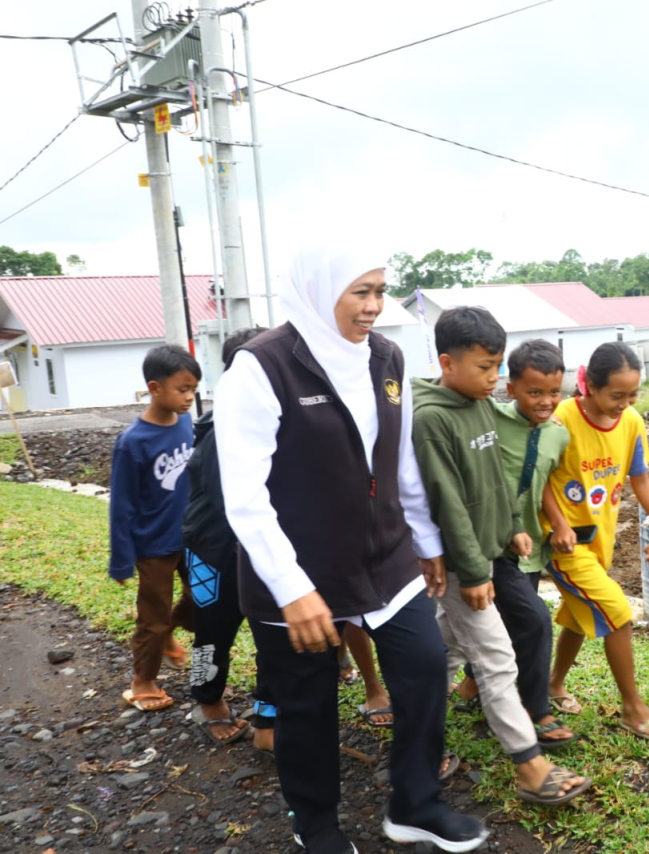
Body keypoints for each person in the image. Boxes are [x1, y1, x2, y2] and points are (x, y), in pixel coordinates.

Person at [216, 247, 487, 853]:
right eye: (360, 292)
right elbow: (245, 497)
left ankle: (416, 803)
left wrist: (427, 540)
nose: (374, 306)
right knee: (306, 702)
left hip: (384, 556)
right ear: (320, 289)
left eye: (380, 291)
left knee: (423, 668)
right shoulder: (261, 368)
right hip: (296, 567)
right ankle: (316, 825)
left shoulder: (387, 357)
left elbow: (401, 459)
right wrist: (292, 588)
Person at [412, 307, 591, 806]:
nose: (494, 378)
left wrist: (513, 525)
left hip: (490, 553)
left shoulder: (478, 404)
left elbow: (496, 476)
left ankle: (417, 739)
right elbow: (447, 501)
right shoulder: (432, 419)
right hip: (461, 564)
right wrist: (473, 572)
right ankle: (530, 765)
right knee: (496, 657)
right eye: (485, 367)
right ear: (447, 363)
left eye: (497, 367)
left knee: (445, 652)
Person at [542, 342, 649, 742]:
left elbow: (641, 479)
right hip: (563, 546)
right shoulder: (562, 419)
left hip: (598, 542)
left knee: (578, 615)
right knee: (617, 610)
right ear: (590, 386)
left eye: (633, 394)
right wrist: (558, 524)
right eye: (617, 395)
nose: (625, 404)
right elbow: (537, 478)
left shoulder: (631, 422)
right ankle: (632, 707)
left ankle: (553, 684)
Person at [451, 339, 579, 752]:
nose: (546, 401)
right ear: (512, 389)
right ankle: (536, 709)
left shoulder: (557, 435)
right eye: (534, 392)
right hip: (493, 544)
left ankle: (475, 686)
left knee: (508, 623)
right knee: (535, 620)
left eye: (554, 392)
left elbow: (543, 484)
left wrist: (560, 524)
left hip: (531, 548)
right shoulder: (490, 420)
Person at [184, 326, 276, 750]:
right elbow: (231, 500)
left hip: (259, 546)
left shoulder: (269, 418)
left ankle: (268, 713)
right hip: (212, 549)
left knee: (271, 632)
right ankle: (207, 700)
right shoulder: (221, 428)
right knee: (211, 633)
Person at [109, 344, 200, 713]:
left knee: (204, 600)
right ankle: (142, 681)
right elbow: (121, 506)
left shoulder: (186, 424)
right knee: (153, 617)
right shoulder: (133, 442)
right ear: (154, 388)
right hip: (153, 546)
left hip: (193, 536)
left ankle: (167, 636)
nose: (190, 397)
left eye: (194, 389)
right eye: (183, 389)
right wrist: (121, 561)